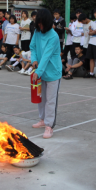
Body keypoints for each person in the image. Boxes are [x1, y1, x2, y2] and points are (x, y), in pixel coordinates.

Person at [31, 9, 63, 139]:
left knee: (50, 100)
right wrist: (33, 60)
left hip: (52, 72)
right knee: (41, 98)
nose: (40, 26)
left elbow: (46, 55)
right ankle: (42, 119)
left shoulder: (53, 36)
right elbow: (33, 47)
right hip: (40, 71)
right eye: (38, 24)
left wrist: (38, 71)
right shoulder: (37, 32)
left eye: (42, 24)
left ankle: (49, 126)